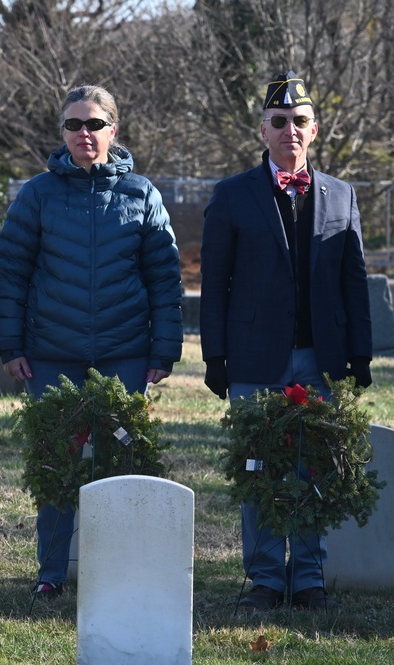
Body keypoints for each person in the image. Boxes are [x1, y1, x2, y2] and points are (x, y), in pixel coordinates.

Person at [0, 84, 183, 597]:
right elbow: (12, 273)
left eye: (94, 125)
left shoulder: (141, 194)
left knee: (121, 466)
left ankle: (120, 572)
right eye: (74, 125)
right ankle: (51, 574)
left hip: (125, 355)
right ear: (62, 134)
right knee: (57, 467)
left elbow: (164, 279)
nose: (84, 134)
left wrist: (163, 350)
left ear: (112, 131)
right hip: (52, 356)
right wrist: (10, 346)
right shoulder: (37, 195)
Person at [200, 70, 372, 611]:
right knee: (261, 470)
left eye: (299, 122)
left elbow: (354, 281)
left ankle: (310, 577)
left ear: (314, 130)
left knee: (316, 469)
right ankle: (266, 578)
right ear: (262, 130)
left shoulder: (341, 196)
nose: (289, 131)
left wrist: (360, 353)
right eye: (279, 122)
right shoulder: (231, 196)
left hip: (322, 358)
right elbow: (215, 284)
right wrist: (214, 356)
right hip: (255, 359)